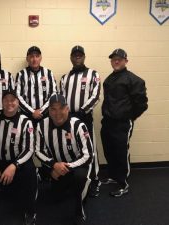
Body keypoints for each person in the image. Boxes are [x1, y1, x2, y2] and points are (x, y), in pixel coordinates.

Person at [35, 94, 93, 225]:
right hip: (56, 167)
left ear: (67, 109)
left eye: (61, 108)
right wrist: (53, 165)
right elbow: (38, 151)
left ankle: (79, 208)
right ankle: (67, 185)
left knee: (79, 178)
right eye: (53, 109)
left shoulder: (79, 125)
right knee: (56, 198)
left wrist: (67, 167)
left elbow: (89, 155)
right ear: (49, 111)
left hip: (76, 166)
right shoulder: (41, 126)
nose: (57, 113)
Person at [101, 48, 148, 197]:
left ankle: (123, 183)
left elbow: (142, 104)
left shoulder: (134, 80)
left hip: (122, 124)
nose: (116, 61)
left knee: (121, 152)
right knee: (109, 150)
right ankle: (113, 176)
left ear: (125, 61)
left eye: (119, 59)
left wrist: (129, 117)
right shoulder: (109, 79)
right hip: (108, 122)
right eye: (113, 59)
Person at [0, 89, 37, 225]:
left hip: (18, 164)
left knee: (30, 172)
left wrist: (14, 165)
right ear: (2, 102)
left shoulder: (26, 122)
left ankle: (30, 211)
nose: (9, 103)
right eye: (6, 100)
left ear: (18, 103)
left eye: (13, 100)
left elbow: (29, 149)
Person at [59, 45, 101, 197]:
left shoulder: (93, 74)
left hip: (84, 117)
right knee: (71, 147)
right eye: (74, 55)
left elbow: (95, 96)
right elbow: (62, 98)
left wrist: (82, 111)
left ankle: (95, 180)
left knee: (90, 149)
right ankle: (76, 178)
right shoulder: (65, 78)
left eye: (80, 55)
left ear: (84, 57)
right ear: (70, 57)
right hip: (69, 119)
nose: (77, 57)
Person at [15, 46, 57, 125]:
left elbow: (54, 93)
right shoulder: (21, 74)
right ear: (27, 59)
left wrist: (42, 111)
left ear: (41, 58)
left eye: (37, 56)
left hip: (45, 114)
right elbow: (17, 96)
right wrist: (32, 112)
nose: (34, 59)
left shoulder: (48, 73)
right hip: (26, 115)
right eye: (31, 57)